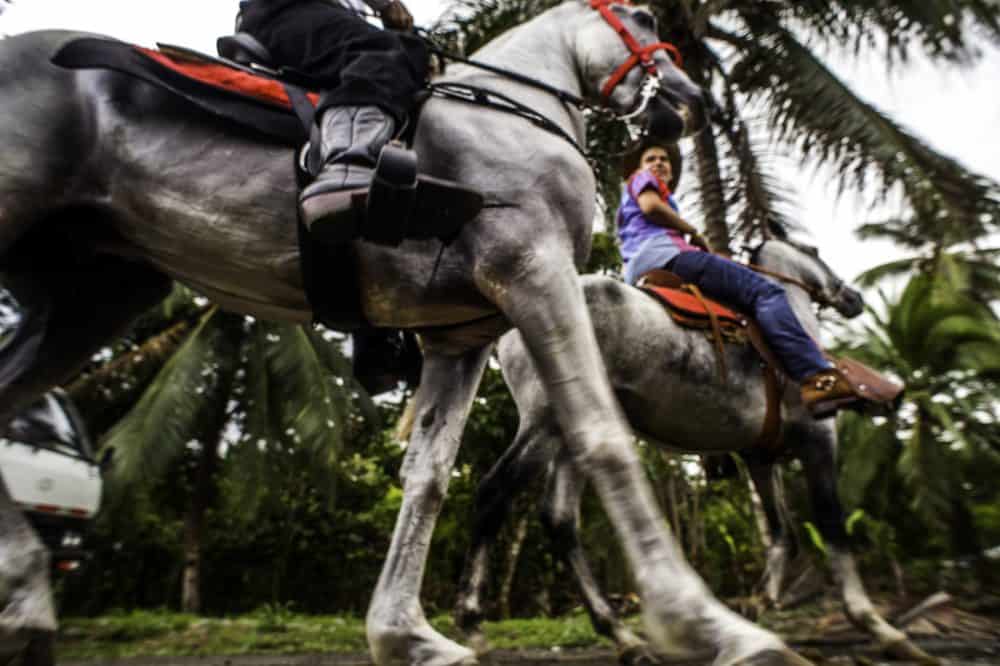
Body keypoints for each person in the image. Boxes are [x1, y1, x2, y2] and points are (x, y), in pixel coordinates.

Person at [616, 141, 859, 417]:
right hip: (668, 255)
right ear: (641, 168)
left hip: (637, 270)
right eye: (651, 159)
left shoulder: (628, 206)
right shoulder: (643, 181)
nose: (659, 163)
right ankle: (817, 377)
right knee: (766, 292)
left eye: (664, 160)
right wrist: (693, 232)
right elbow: (651, 207)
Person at [236, 0, 429, 241]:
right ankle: (347, 164)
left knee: (405, 54)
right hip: (286, 11)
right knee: (384, 49)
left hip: (310, 13)